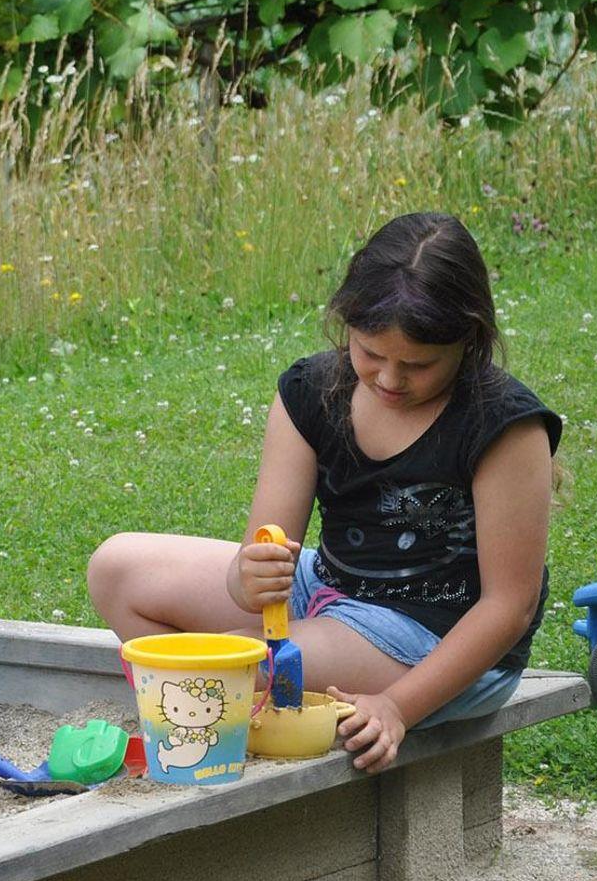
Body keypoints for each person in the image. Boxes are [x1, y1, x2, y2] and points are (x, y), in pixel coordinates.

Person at [88, 212, 561, 774]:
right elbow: (258, 568)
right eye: (370, 353)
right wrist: (247, 577)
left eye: (418, 365)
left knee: (220, 668)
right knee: (116, 570)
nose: (389, 379)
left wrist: (397, 706)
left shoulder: (502, 424)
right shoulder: (312, 391)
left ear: (469, 340)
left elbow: (509, 607)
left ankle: (234, 712)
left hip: (434, 636)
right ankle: (252, 710)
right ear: (347, 326)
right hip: (329, 586)